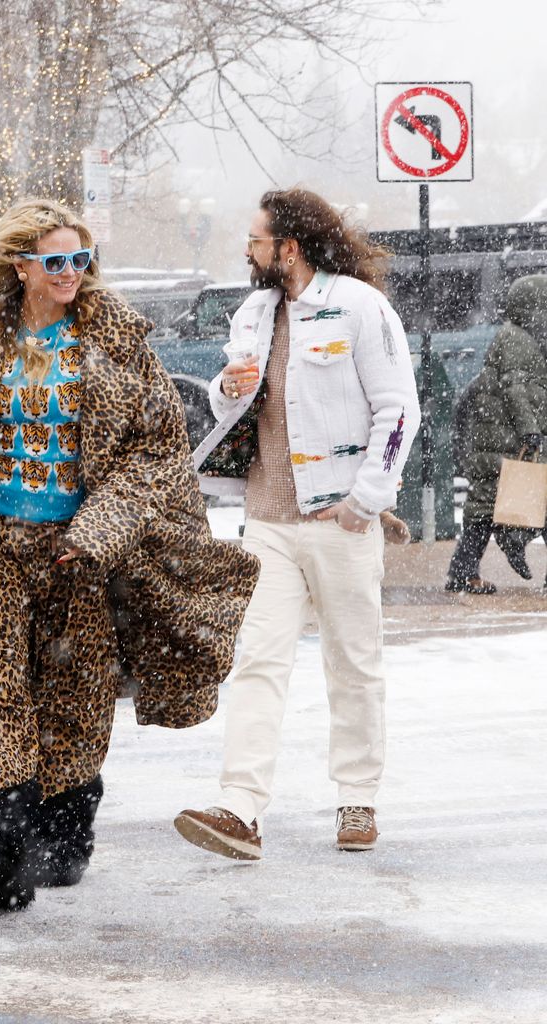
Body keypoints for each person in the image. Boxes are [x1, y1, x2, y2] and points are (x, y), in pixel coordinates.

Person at [0, 198, 259, 913]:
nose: (70, 274)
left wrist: (96, 533)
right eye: (55, 262)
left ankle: (60, 836)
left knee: (74, 704)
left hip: (77, 556)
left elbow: (153, 452)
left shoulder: (116, 344)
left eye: (79, 261)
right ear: (21, 266)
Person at [174, 187, 420, 860]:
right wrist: (227, 390)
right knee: (257, 661)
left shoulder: (361, 307)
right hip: (268, 521)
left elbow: (398, 410)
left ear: (289, 246)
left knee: (353, 664)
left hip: (339, 519)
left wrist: (365, 500)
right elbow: (245, 398)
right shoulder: (254, 310)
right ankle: (240, 809)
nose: (247, 252)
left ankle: (358, 800)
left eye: (256, 240)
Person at [445, 274, 547, 593]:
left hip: (497, 438)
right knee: (487, 509)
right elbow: (517, 389)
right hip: (504, 441)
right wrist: (530, 431)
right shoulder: (518, 339)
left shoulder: (518, 336)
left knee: (484, 510)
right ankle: (472, 567)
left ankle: (465, 571)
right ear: (533, 307)